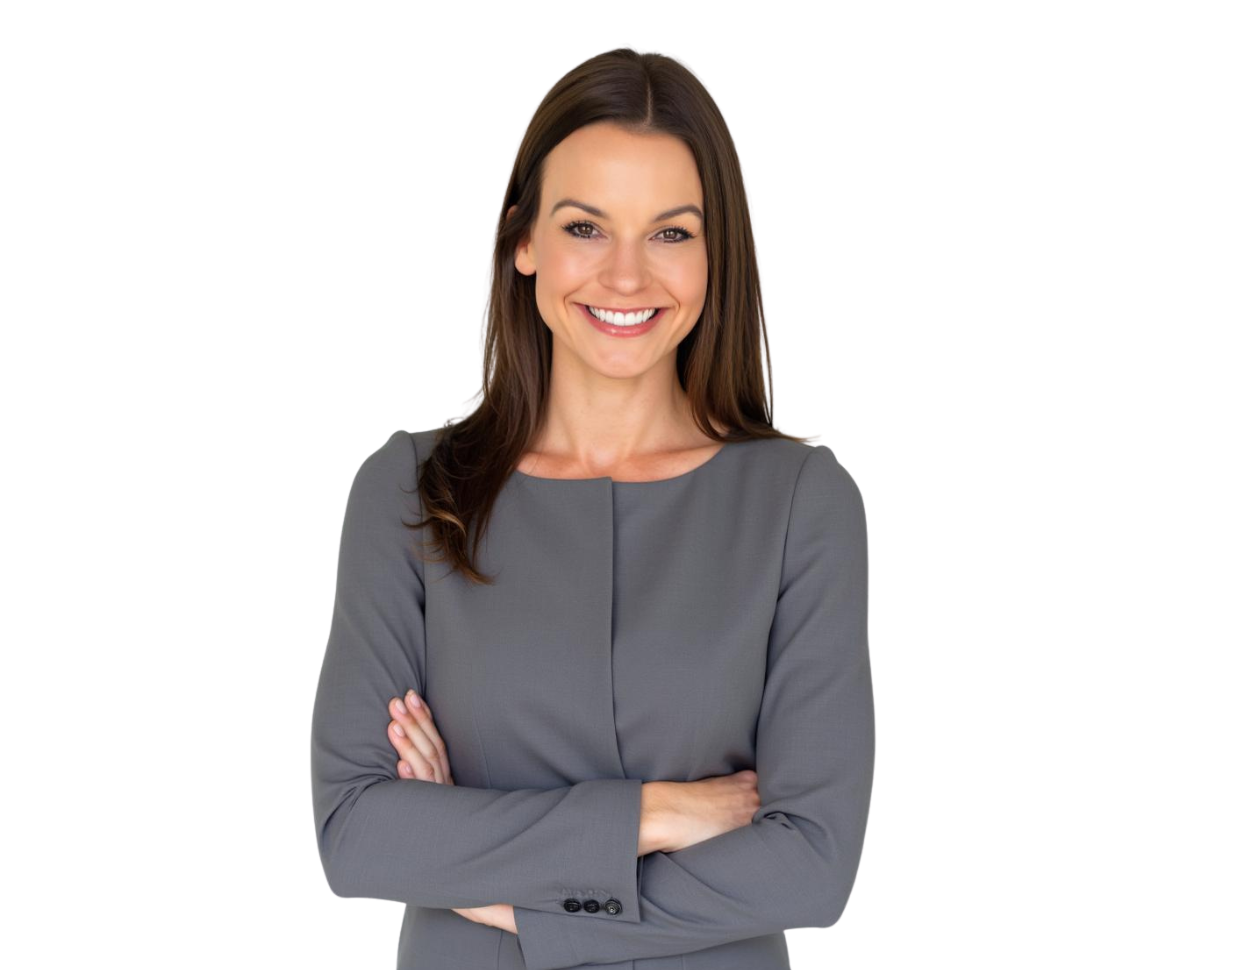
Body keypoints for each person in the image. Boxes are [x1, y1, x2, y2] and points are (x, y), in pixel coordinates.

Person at [309, 44, 873, 970]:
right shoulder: (409, 491)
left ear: (716, 255)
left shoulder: (802, 503)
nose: (625, 278)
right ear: (522, 242)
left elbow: (813, 866)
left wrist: (496, 883)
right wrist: (663, 812)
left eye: (670, 232)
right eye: (585, 227)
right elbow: (359, 832)